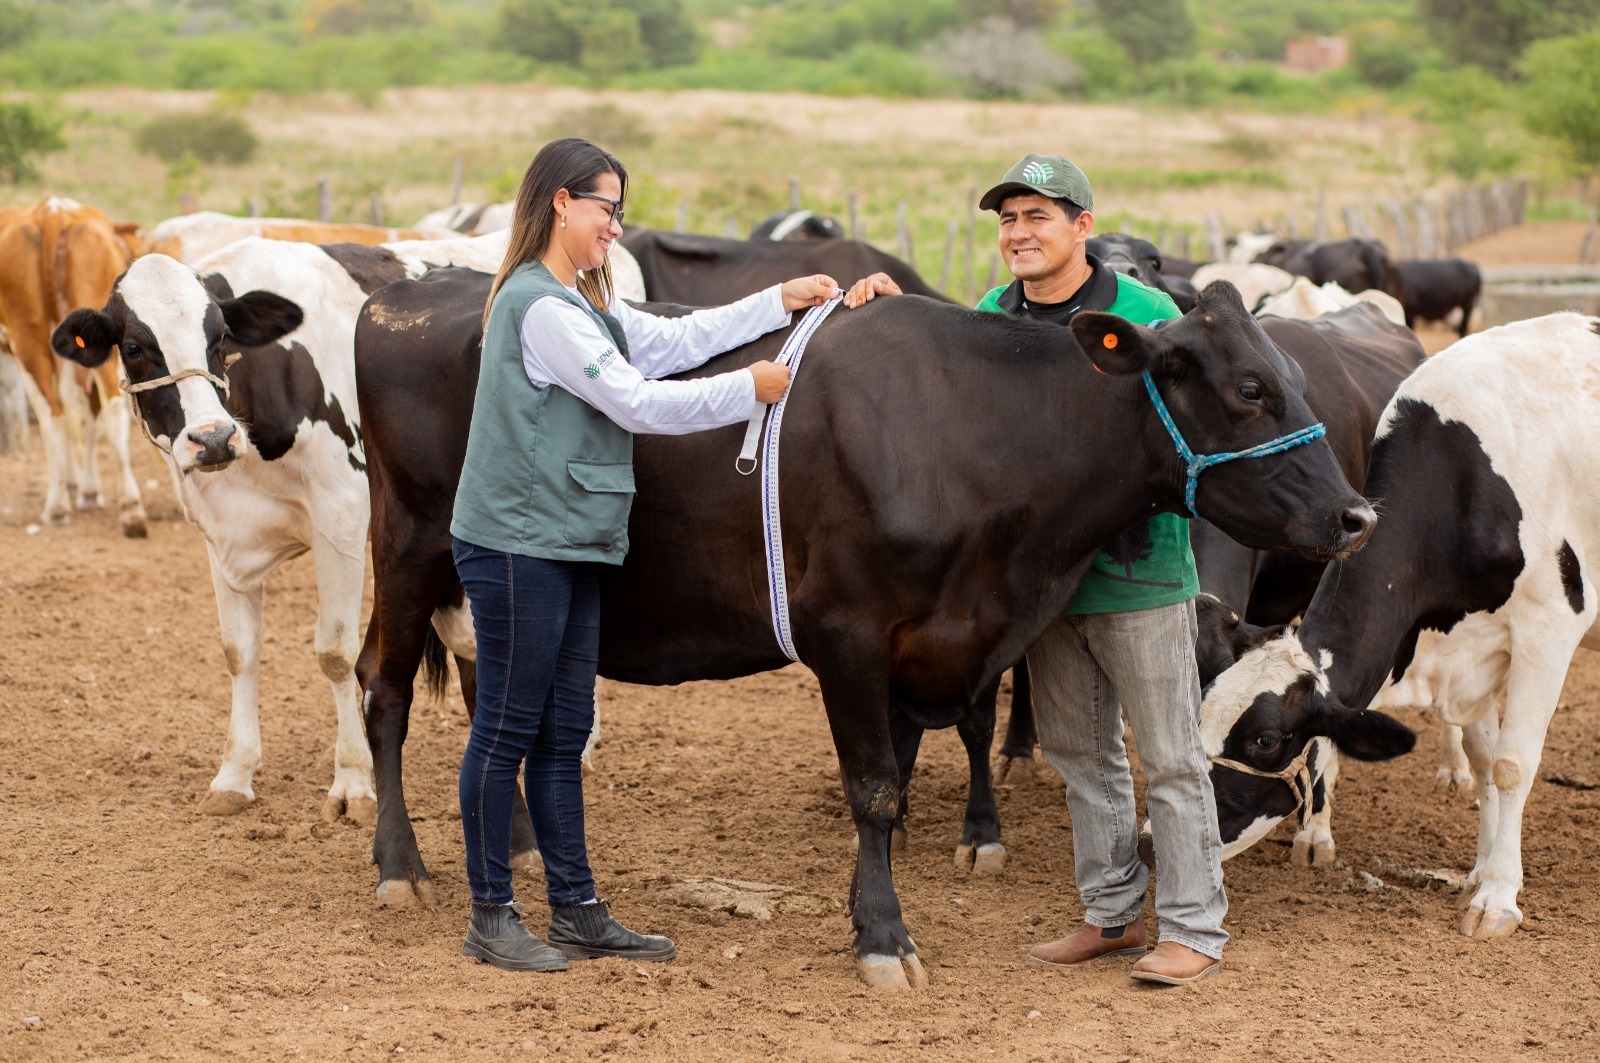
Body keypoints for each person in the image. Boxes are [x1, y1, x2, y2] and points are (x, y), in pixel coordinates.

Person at [451, 137, 842, 973]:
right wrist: (752, 390)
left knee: (563, 730)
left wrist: (778, 298)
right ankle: (491, 915)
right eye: (607, 209)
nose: (616, 229)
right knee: (509, 728)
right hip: (521, 543)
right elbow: (633, 402)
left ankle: (577, 910)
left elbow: (672, 342)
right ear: (563, 203)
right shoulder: (544, 308)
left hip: (568, 538)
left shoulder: (583, 301)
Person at [844, 154, 1227, 986]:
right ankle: (1113, 914)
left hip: (1140, 576)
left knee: (1169, 756)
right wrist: (892, 309)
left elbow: (1192, 440)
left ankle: (1195, 927)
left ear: (1082, 228)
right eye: (1008, 219)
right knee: (1078, 753)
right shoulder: (989, 316)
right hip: (1043, 585)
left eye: (1037, 218)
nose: (1018, 234)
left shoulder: (1149, 314)